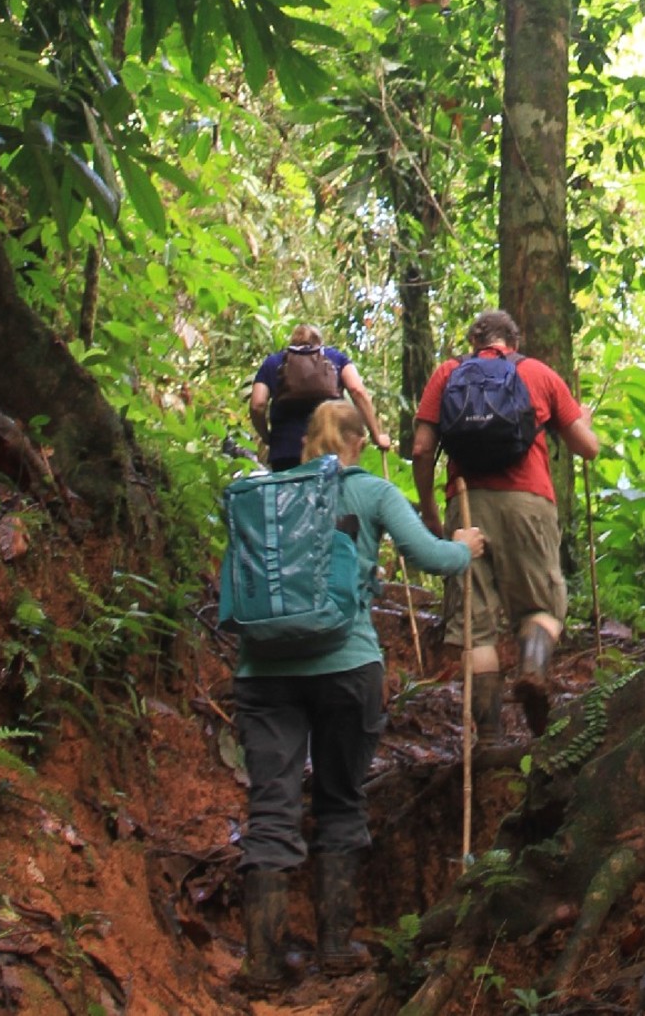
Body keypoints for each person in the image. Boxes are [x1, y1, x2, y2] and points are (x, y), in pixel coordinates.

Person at [234, 400, 484, 990]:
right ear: (356, 441)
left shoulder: (264, 491)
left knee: (270, 809)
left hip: (263, 670)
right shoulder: (369, 491)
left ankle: (264, 964)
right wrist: (466, 546)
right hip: (347, 665)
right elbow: (429, 556)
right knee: (340, 801)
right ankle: (337, 946)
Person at [411, 309, 599, 748]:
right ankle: (532, 669)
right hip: (528, 503)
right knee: (543, 608)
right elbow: (586, 448)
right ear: (513, 339)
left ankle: (491, 736)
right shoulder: (538, 373)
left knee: (475, 627)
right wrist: (583, 419)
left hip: (467, 504)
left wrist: (430, 512)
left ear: (475, 340)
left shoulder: (448, 372)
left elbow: (422, 448)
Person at [250, 323, 392, 471]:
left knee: (290, 494)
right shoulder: (334, 358)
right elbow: (357, 391)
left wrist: (267, 436)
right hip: (329, 448)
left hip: (285, 450)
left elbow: (257, 404)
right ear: (319, 342)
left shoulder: (274, 362)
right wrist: (377, 436)